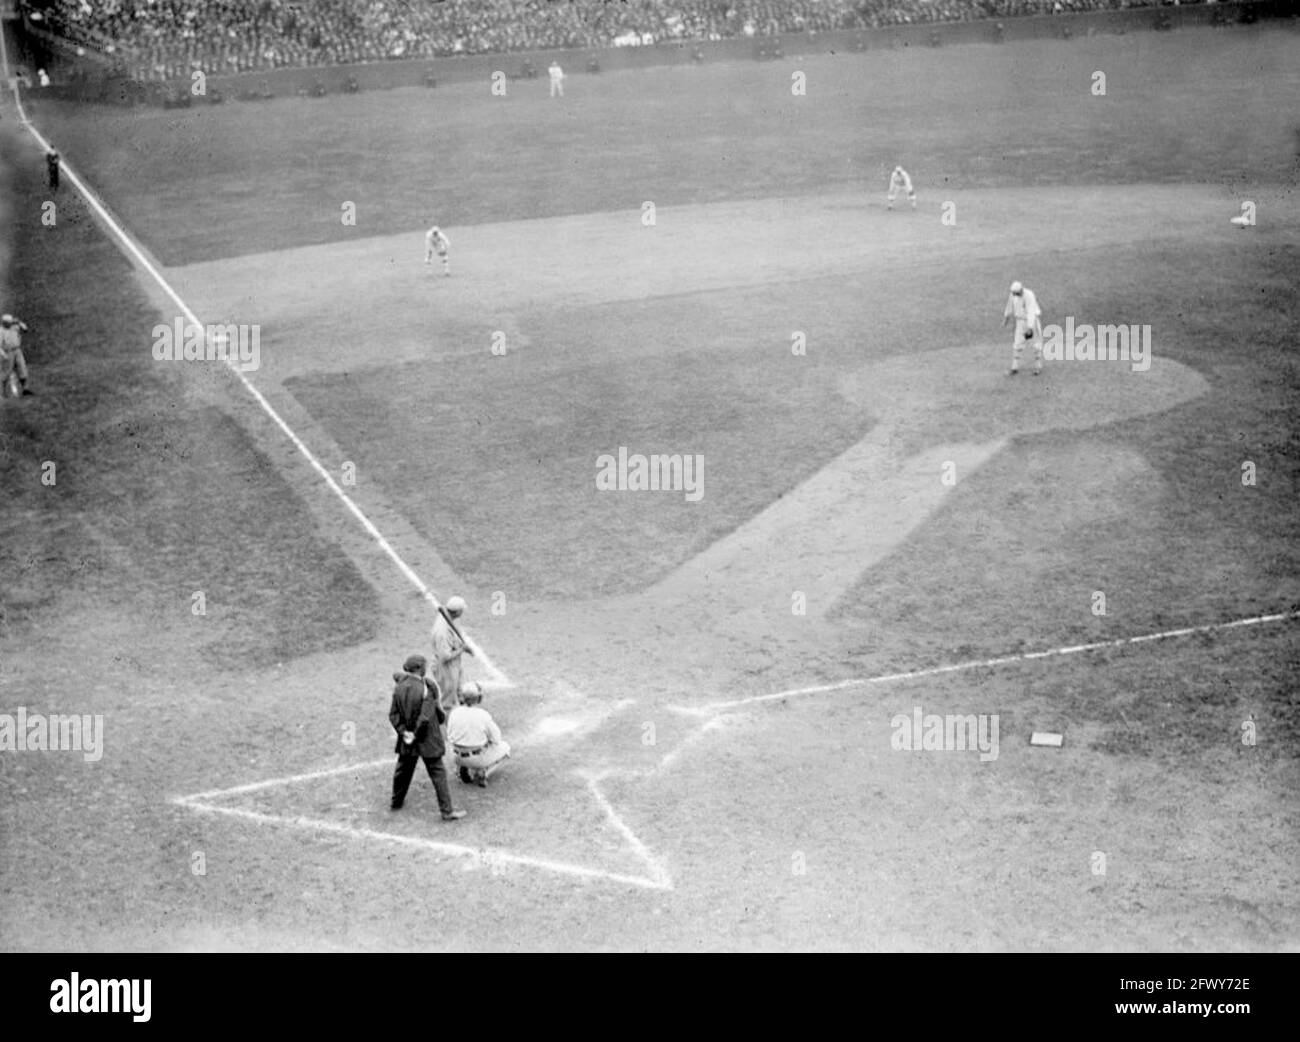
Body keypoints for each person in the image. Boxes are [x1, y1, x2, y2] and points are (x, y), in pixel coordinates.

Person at [388, 654, 465, 820]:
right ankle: (447, 811)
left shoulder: (399, 687)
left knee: (403, 771)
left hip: (407, 739)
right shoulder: (426, 687)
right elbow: (425, 716)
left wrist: (404, 732)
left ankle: (396, 801)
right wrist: (415, 733)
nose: (426, 668)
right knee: (438, 774)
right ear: (418, 669)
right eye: (424, 666)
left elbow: (393, 715)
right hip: (427, 739)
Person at [448, 683, 511, 787]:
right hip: (477, 758)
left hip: (455, 756)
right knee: (506, 748)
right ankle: (484, 773)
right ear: (478, 698)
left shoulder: (454, 712)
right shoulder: (483, 715)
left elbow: (449, 735)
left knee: (466, 744)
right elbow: (497, 739)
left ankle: (461, 768)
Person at [430, 596, 474, 715]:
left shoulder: (451, 618)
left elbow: (456, 636)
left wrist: (462, 647)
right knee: (447, 701)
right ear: (458, 611)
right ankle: (447, 728)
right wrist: (462, 650)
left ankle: (464, 717)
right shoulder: (442, 631)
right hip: (445, 668)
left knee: (460, 692)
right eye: (462, 610)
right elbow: (444, 657)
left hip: (454, 664)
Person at [1002, 281, 1043, 376]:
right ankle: (1014, 367)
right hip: (1020, 322)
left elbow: (1031, 311)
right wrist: (1006, 318)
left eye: (1016, 293)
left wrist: (1030, 327)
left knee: (1036, 343)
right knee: (1017, 343)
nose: (1015, 295)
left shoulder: (1029, 295)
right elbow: (1009, 306)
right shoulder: (1013, 295)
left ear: (1021, 290)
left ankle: (1038, 367)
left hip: (1032, 321)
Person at [0, 314, 33, 397]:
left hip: (17, 350)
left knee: (22, 368)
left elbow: (25, 329)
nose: (11, 323)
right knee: (6, 372)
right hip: (8, 352)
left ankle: (25, 389)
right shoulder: (1, 331)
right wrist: (3, 355)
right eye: (9, 322)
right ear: (4, 323)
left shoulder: (14, 327)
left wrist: (19, 322)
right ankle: (3, 392)